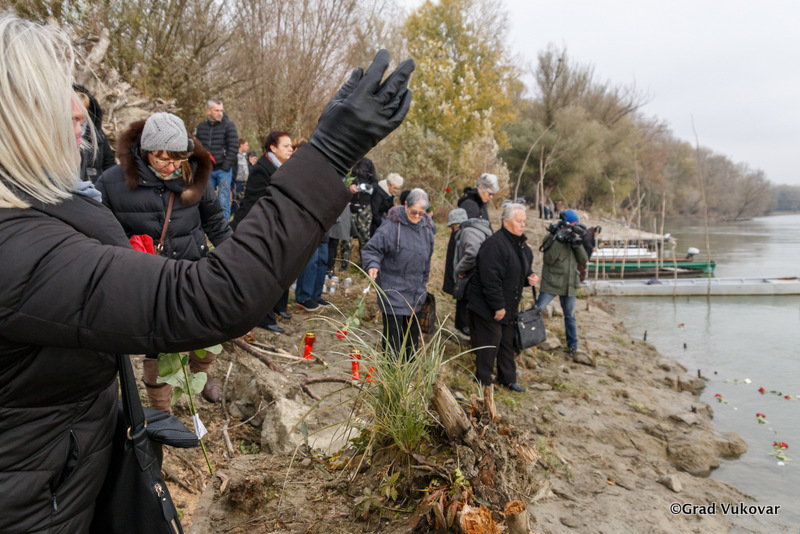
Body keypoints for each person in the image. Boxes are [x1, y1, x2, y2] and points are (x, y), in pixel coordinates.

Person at [0, 15, 414, 530]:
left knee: (193, 357)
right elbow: (203, 298)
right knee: (162, 361)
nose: (78, 107)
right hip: (38, 509)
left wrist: (114, 421)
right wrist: (328, 155)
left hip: (64, 478)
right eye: (51, 91)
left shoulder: (52, 210)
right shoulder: (20, 246)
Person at [96, 112, 232, 409]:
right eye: (162, 160)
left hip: (192, 268)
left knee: (210, 326)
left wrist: (235, 262)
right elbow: (103, 232)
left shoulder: (194, 173)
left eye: (178, 159)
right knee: (158, 346)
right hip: (147, 278)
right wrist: (129, 255)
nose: (172, 167)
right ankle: (161, 409)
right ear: (145, 152)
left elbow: (215, 222)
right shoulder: (111, 182)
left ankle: (201, 371)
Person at [467, 203, 538, 392]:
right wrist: (498, 306)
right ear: (505, 221)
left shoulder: (522, 246)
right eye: (518, 221)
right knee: (490, 341)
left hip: (509, 305)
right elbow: (489, 279)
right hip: (487, 305)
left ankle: (508, 379)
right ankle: (484, 381)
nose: (522, 225)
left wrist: (529, 278)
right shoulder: (495, 244)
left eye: (524, 221)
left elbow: (519, 272)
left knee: (508, 342)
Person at [361, 188, 434, 360]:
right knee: (393, 337)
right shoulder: (391, 227)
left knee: (411, 337)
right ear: (406, 204)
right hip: (392, 289)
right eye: (414, 211)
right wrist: (372, 265)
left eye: (421, 213)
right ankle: (391, 369)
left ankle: (408, 370)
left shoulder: (427, 229)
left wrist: (423, 283)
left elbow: (427, 259)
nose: (417, 216)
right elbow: (372, 249)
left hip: (415, 292)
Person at [232, 130, 295, 323]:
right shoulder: (262, 168)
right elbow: (257, 202)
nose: (291, 149)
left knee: (283, 266)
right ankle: (264, 318)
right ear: (273, 148)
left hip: (278, 225)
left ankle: (279, 308)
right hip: (258, 226)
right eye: (286, 146)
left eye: (291, 146)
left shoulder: (285, 166)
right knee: (264, 271)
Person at [536, 209, 589, 355]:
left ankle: (572, 347)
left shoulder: (573, 239)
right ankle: (529, 337)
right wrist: (559, 240)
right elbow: (549, 260)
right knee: (537, 309)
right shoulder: (551, 237)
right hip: (552, 282)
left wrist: (576, 243)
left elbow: (583, 259)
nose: (569, 230)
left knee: (570, 316)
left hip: (569, 284)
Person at [195, 98, 239, 220]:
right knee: (205, 199)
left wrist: (226, 166)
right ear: (208, 111)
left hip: (223, 170)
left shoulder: (229, 125)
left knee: (223, 200)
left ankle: (224, 228)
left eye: (221, 110)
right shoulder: (201, 127)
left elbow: (233, 146)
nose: (220, 113)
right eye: (216, 110)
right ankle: (206, 225)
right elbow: (197, 147)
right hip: (207, 169)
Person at [453, 214, 493, 337]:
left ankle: (465, 328)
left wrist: (460, 269)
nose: (452, 230)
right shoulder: (482, 230)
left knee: (465, 299)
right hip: (480, 272)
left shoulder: (467, 232)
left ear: (457, 224)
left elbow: (472, 254)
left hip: (471, 273)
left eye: (452, 226)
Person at [73, 84, 116, 183]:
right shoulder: (62, 135)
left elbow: (109, 163)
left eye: (84, 109)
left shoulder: (98, 134)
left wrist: (108, 185)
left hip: (98, 185)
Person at [442, 208, 468, 334]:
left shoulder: (461, 235)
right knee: (462, 299)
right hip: (459, 274)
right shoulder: (458, 236)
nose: (454, 228)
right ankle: (461, 324)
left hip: (458, 272)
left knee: (462, 298)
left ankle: (460, 323)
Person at [348, 157, 378, 259]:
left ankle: (365, 262)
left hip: (364, 205)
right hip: (348, 204)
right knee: (346, 238)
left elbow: (375, 183)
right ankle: (344, 263)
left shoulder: (368, 163)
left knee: (364, 237)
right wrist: (349, 186)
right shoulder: (347, 160)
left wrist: (366, 187)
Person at [231, 138, 250, 217]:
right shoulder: (236, 156)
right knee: (237, 199)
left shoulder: (244, 156)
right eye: (246, 145)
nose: (248, 147)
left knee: (242, 199)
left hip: (244, 181)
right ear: (241, 145)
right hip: (237, 181)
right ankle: (233, 215)